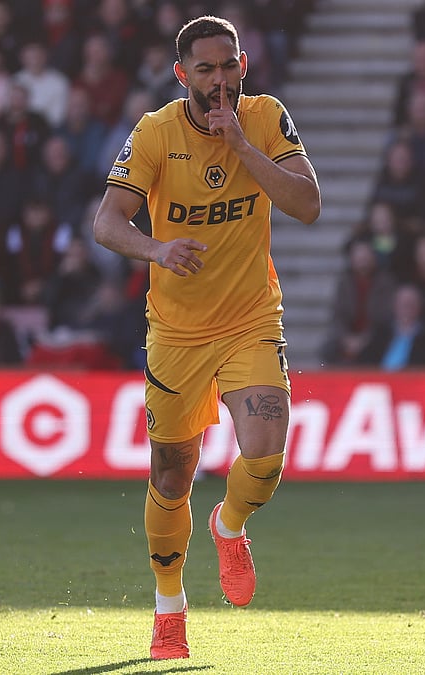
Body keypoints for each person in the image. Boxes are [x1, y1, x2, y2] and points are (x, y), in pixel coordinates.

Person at [90, 16, 320, 659]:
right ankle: (170, 612)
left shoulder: (267, 117)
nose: (218, 80)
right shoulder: (157, 132)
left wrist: (243, 148)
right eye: (205, 69)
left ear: (243, 65)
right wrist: (156, 248)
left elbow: (307, 204)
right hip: (178, 332)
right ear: (181, 74)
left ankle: (230, 524)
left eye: (228, 66)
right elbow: (107, 222)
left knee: (266, 455)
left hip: (251, 318)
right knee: (172, 474)